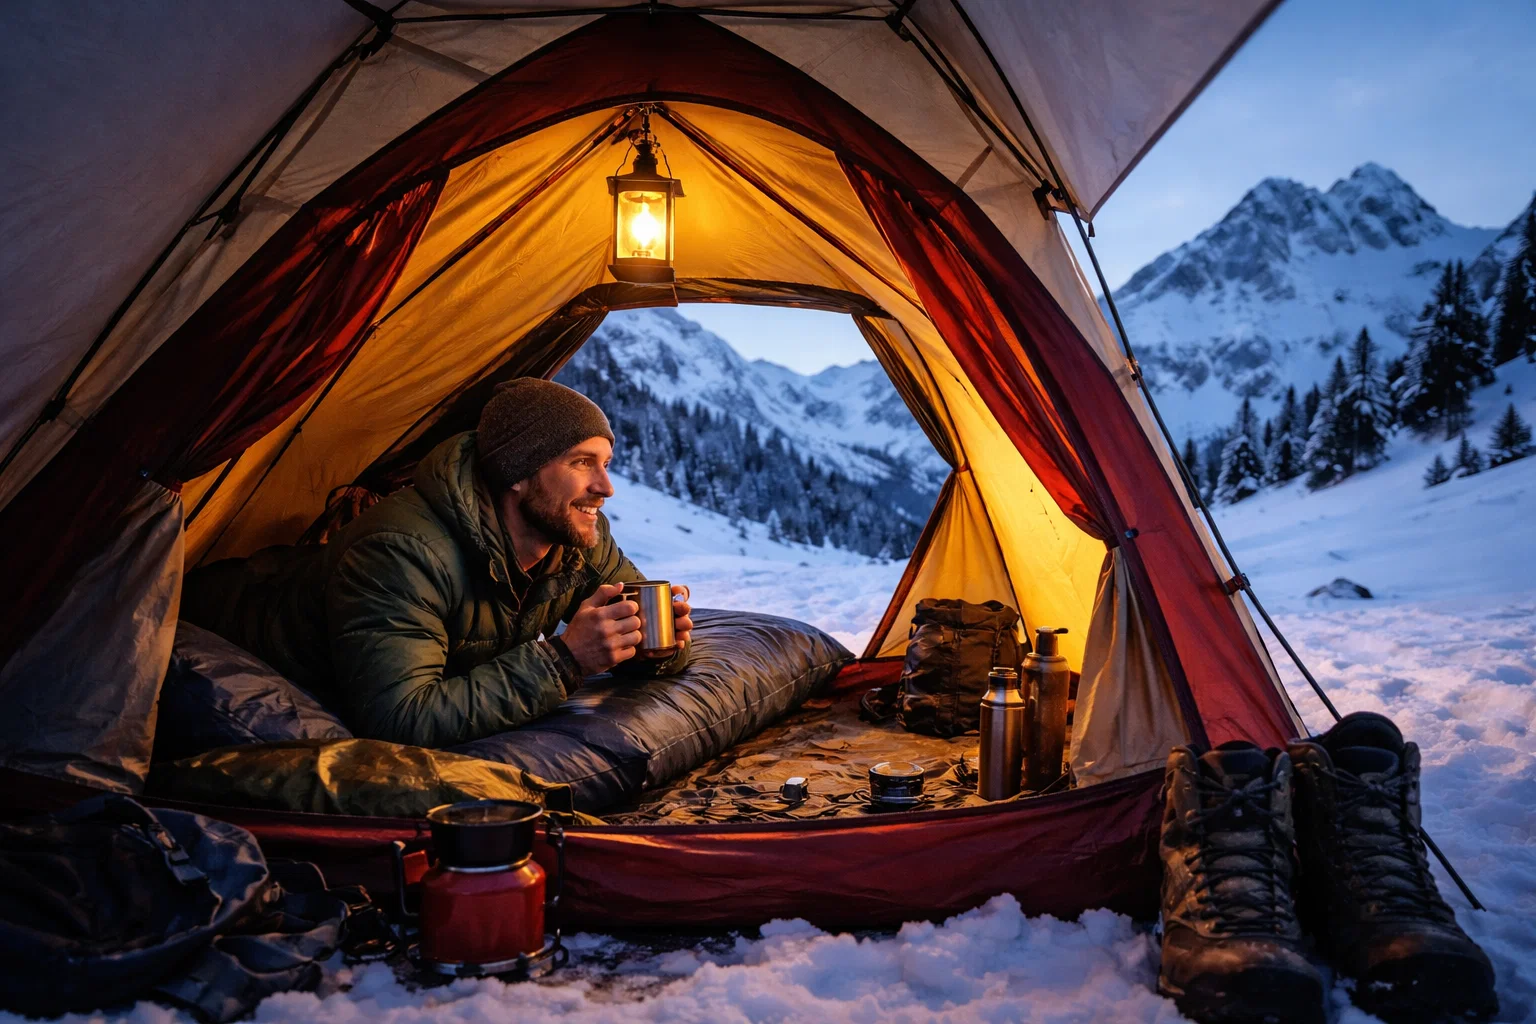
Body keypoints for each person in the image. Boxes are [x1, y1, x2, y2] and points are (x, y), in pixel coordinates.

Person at [182, 378, 693, 748]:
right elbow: (401, 720)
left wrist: (658, 643)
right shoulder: (402, 551)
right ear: (516, 473)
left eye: (606, 464)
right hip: (216, 624)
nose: (606, 488)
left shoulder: (578, 534)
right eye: (582, 463)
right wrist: (564, 659)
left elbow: (647, 633)